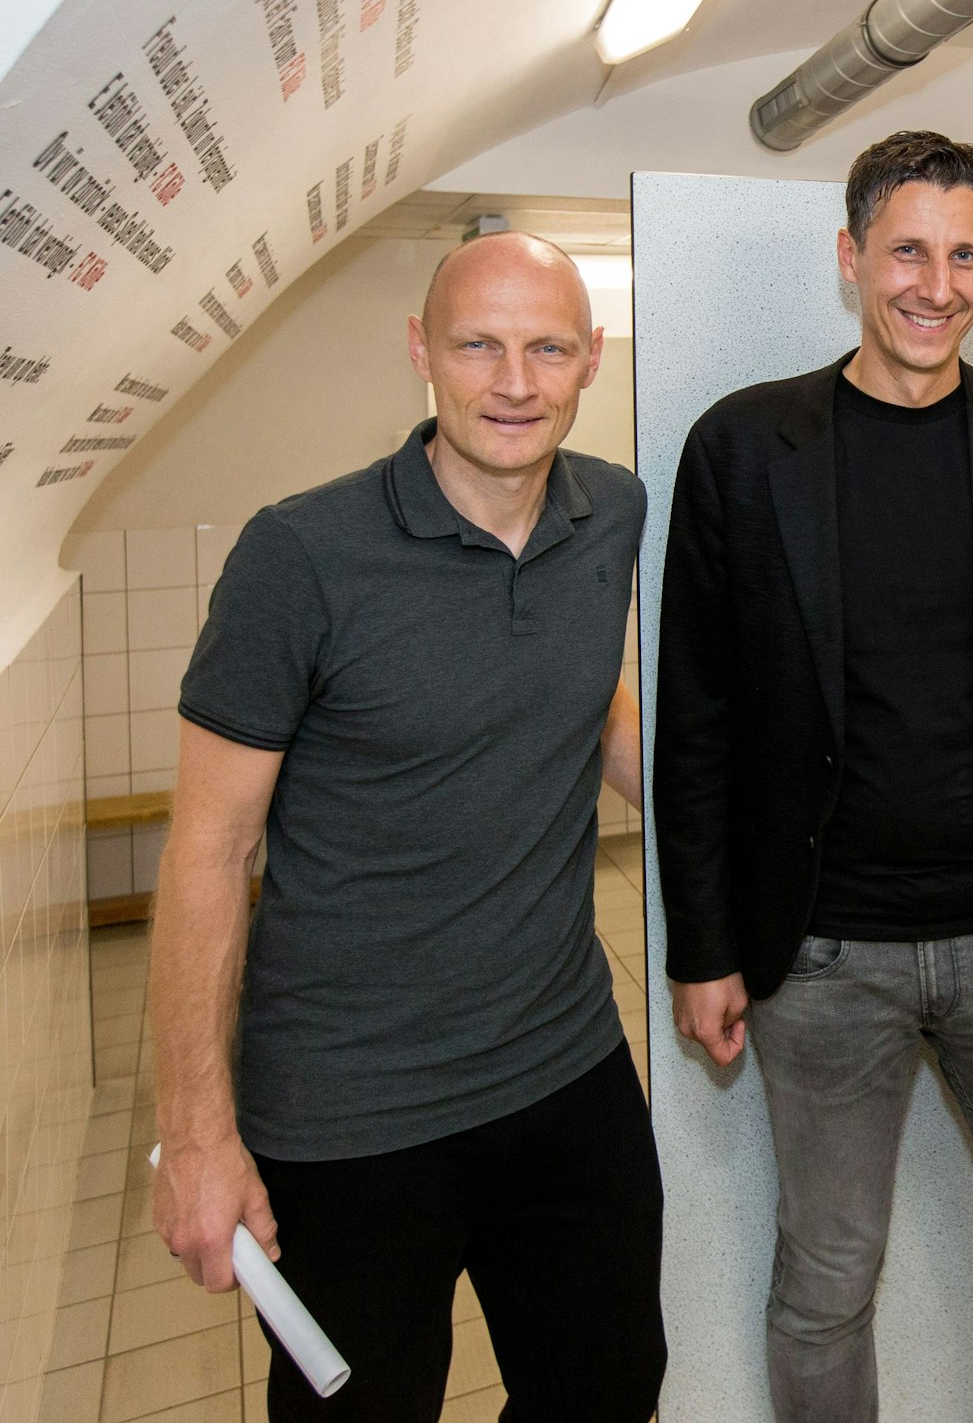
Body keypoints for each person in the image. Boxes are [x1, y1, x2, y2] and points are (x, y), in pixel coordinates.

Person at [653, 129, 973, 1423]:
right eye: (909, 251)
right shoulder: (744, 449)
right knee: (824, 1285)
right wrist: (701, 946)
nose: (938, 284)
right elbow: (695, 721)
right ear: (851, 258)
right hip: (820, 958)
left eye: (968, 253)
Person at [149, 231, 666, 1422]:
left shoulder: (613, 512)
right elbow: (209, 854)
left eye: (546, 347)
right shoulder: (301, 556)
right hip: (350, 1114)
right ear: (420, 353)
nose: (514, 381)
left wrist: (727, 814)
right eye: (477, 344)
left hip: (562, 1068)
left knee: (608, 1390)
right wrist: (197, 1139)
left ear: (592, 359)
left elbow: (583, 694)